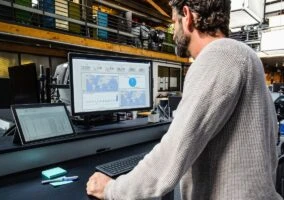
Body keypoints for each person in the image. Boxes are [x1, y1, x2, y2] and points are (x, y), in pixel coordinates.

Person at [86, 0, 282, 199]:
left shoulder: (219, 55)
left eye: (174, 22)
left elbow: (172, 155)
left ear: (187, 16)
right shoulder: (248, 57)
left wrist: (111, 189)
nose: (173, 32)